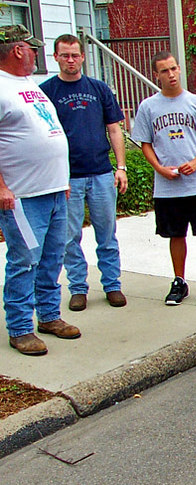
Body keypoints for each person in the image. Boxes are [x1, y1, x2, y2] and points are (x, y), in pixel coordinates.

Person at [0, 25, 80, 356]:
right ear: (18, 50)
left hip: (53, 190)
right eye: (32, 49)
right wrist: (1, 186)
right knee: (24, 260)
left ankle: (48, 316)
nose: (37, 54)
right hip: (21, 197)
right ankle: (20, 328)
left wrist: (61, 181)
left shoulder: (28, 86)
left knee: (51, 257)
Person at [40, 33, 128, 312]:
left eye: (75, 55)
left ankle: (112, 285)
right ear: (55, 57)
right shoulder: (46, 92)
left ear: (82, 56)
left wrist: (121, 167)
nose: (70, 60)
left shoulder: (99, 89)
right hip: (67, 178)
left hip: (101, 173)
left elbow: (114, 129)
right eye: (64, 55)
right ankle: (78, 288)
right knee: (69, 238)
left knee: (107, 233)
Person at [133, 51, 196, 306]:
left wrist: (195, 163)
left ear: (179, 69)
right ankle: (179, 281)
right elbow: (145, 144)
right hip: (167, 187)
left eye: (173, 69)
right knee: (175, 234)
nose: (170, 75)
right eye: (164, 71)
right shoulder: (148, 107)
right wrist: (159, 168)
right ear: (156, 74)